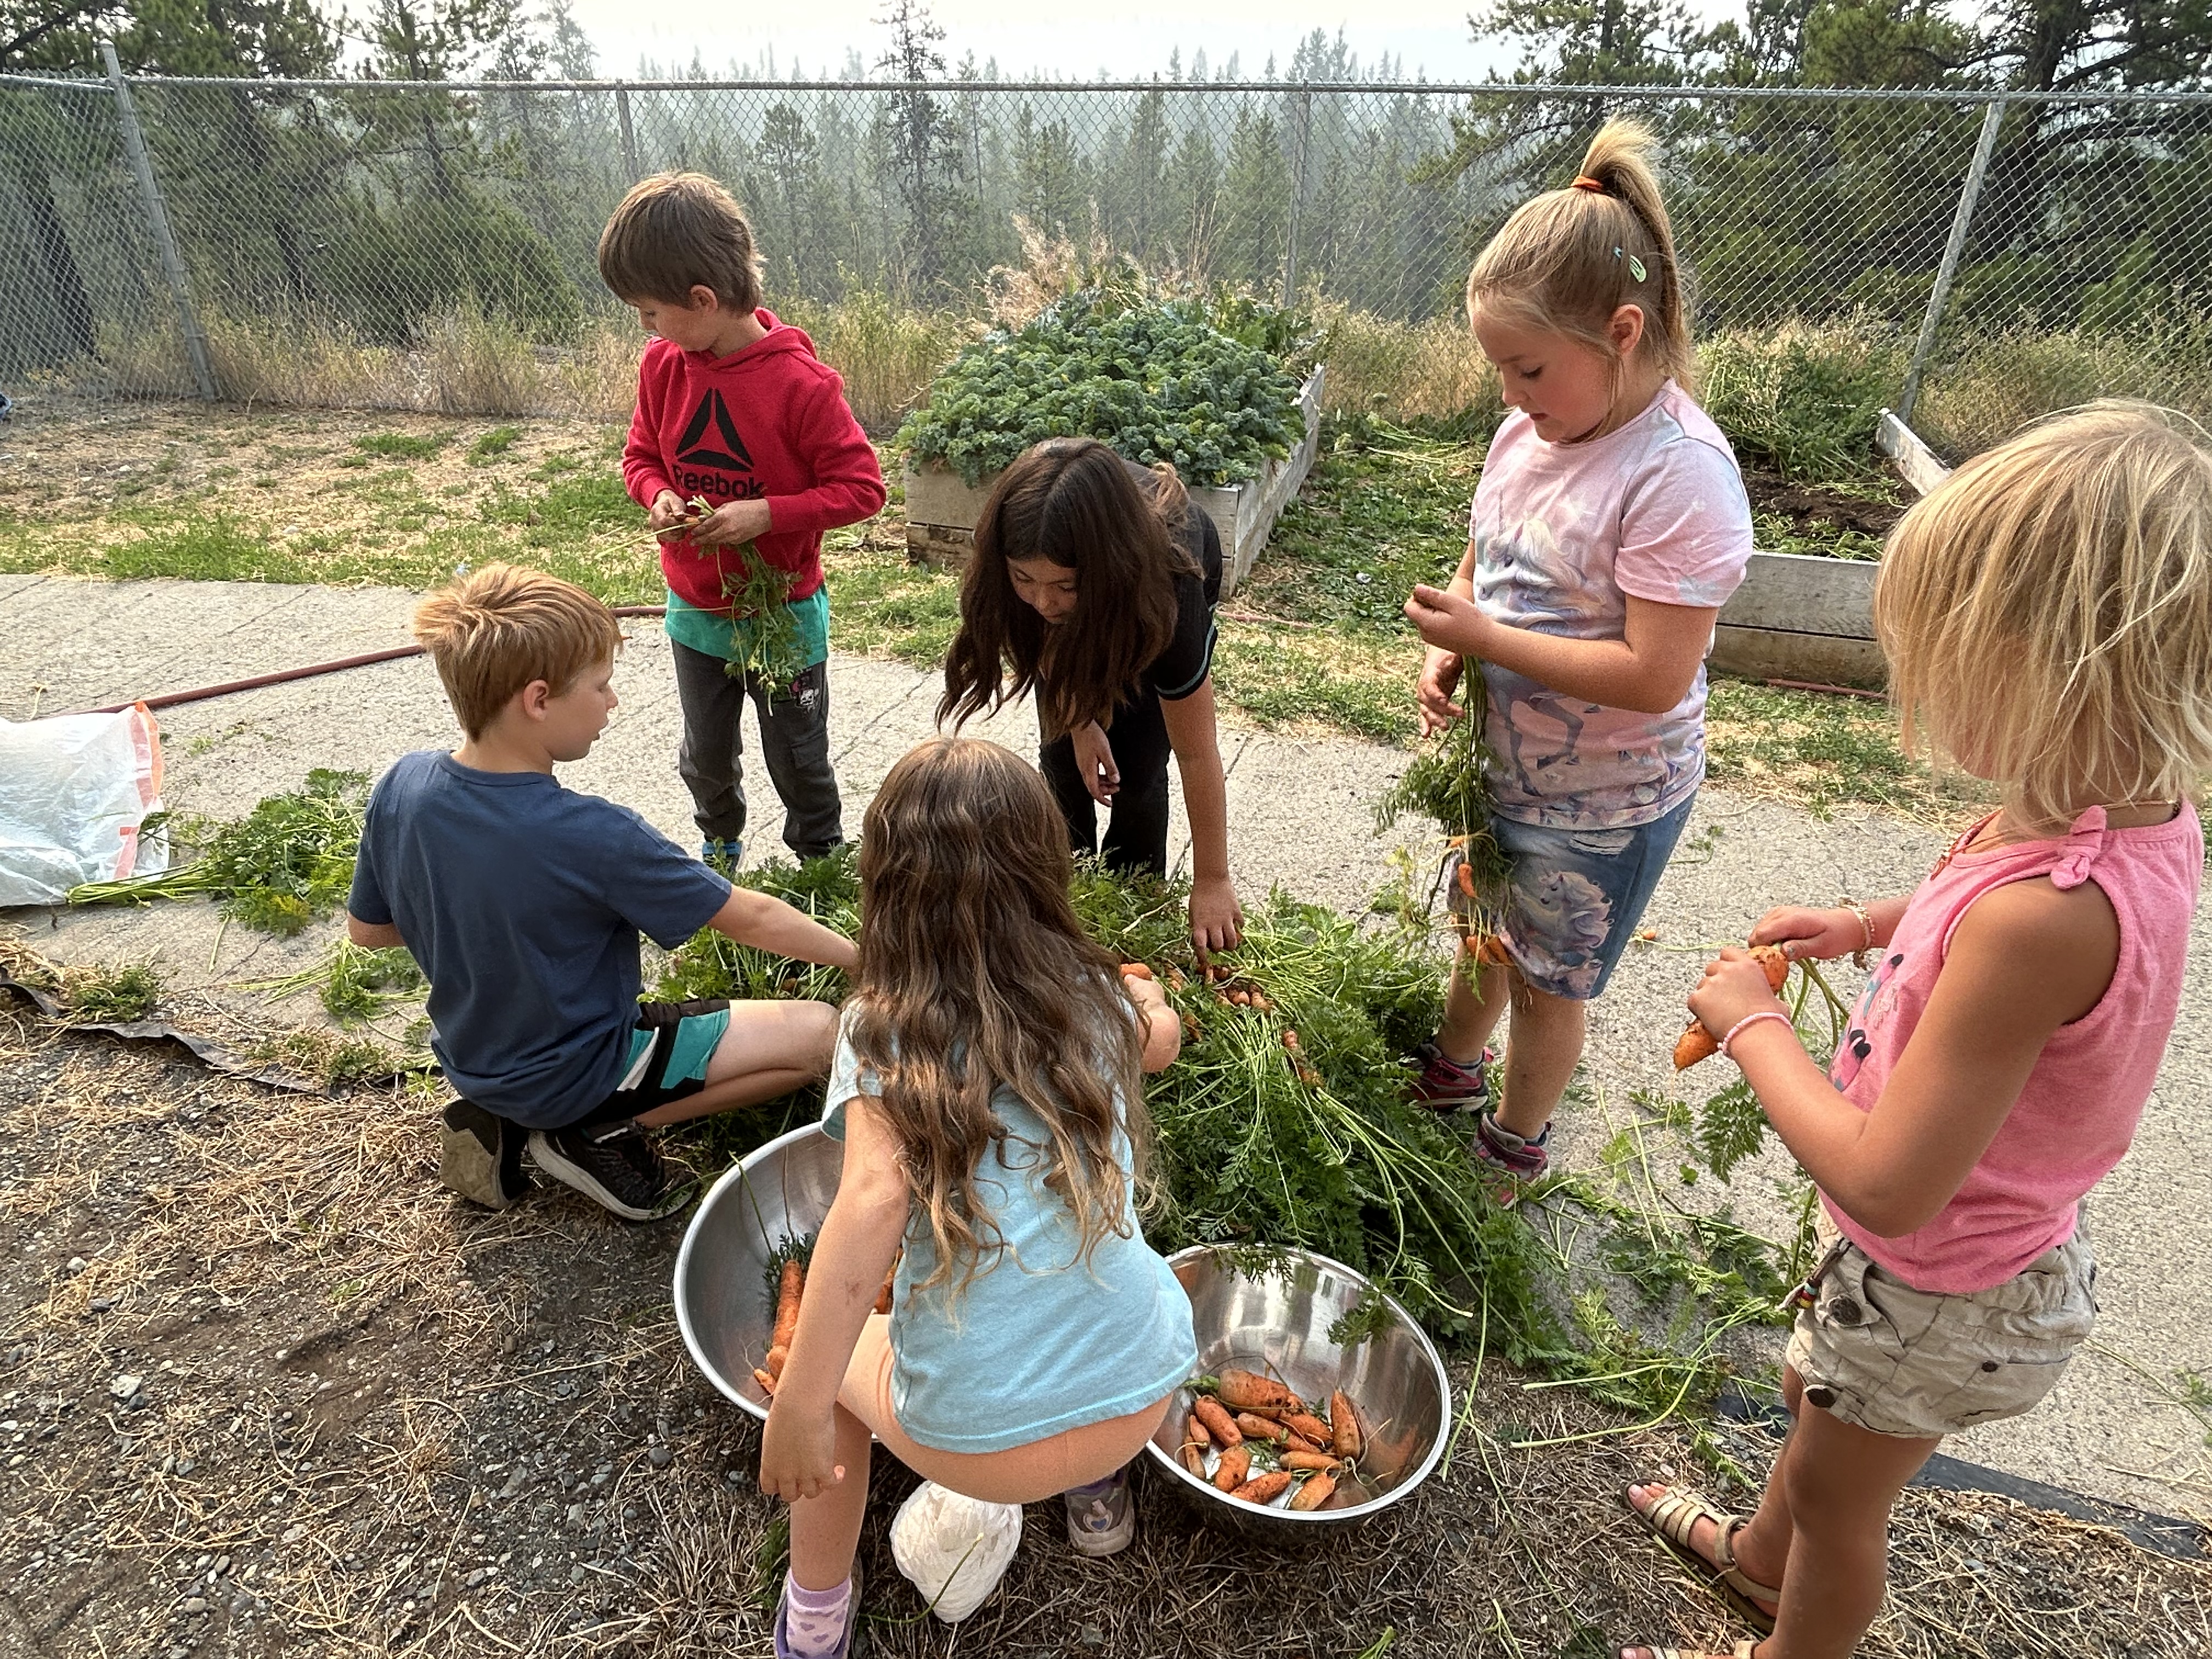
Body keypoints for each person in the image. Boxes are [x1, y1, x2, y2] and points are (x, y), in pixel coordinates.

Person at [1622, 403, 2211, 1659]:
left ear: (2067, 672)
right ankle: (1753, 1557)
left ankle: (1793, 1635)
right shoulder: (2119, 812)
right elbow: (1966, 913)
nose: (1926, 700)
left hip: (1942, 1279)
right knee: (1809, 1399)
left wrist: (1751, 1030)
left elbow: (1886, 1185)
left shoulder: (2046, 917)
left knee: (1844, 1500)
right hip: (1962, 1264)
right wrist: (1863, 923)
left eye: (1954, 668)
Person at [757, 737, 1198, 1657]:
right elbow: (1159, 1039)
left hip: (975, 1440)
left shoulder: (881, 1032)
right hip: (1142, 1397)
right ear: (1046, 873)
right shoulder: (1093, 998)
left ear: (886, 889)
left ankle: (815, 1615)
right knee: (1111, 1254)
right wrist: (1151, 999)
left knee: (827, 1379)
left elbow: (874, 1197)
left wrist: (797, 1404)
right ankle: (1097, 1498)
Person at [1400, 120, 1753, 1183]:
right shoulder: (1532, 432)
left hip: (1601, 801)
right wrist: (1459, 638)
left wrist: (1488, 635)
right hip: (1500, 767)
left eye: (1528, 367)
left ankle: (1515, 1141)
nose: (1509, 393)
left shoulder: (1678, 478)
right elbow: (1490, 542)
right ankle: (1457, 1065)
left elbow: (1656, 676)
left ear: (1625, 332)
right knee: (1483, 934)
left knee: (1550, 981)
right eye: (1498, 368)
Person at [345, 565, 859, 1222]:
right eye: (601, 685)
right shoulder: (593, 834)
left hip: (473, 1057)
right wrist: (859, 960)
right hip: (579, 1067)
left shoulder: (404, 784)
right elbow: (750, 916)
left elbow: (369, 929)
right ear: (538, 700)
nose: (612, 702)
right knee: (822, 1034)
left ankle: (513, 1112)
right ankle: (584, 1131)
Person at [599, 171, 887, 868]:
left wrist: (768, 515)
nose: (646, 327)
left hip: (781, 614)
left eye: (648, 311)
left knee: (798, 754)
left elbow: (862, 488)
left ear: (702, 301)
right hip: (697, 613)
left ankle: (820, 861)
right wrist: (658, 495)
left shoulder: (802, 387)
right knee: (706, 754)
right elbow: (640, 457)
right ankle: (719, 847)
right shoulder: (665, 365)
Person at [939, 437, 1245, 958]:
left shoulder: (1171, 591)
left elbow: (1198, 752)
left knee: (1140, 765)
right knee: (1062, 758)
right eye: (1025, 579)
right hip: (1101, 579)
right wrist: (1080, 721)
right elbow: (1045, 638)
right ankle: (1063, 877)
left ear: (1097, 573)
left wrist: (1212, 879)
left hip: (1147, 597)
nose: (1042, 599)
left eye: (1064, 584)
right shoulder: (1021, 569)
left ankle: (1134, 893)